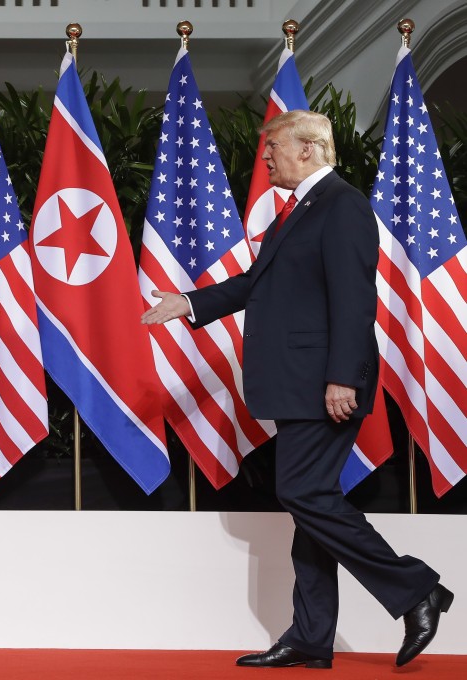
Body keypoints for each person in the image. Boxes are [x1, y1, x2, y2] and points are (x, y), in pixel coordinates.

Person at [142, 110, 452, 669]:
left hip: (323, 384)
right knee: (309, 507)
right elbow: (256, 283)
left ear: (308, 149)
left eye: (275, 146)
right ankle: (311, 636)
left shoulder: (343, 205)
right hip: (297, 385)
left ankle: (415, 589)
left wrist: (341, 377)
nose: (265, 157)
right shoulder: (296, 213)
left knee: (303, 494)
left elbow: (355, 301)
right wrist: (187, 304)